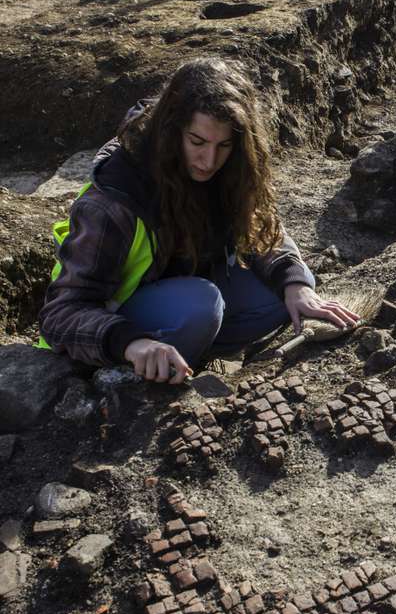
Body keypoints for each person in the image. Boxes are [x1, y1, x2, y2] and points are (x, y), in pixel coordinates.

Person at [38, 59, 359, 383]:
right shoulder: (114, 200)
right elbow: (60, 314)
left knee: (289, 294)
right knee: (202, 305)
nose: (209, 161)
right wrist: (130, 343)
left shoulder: (229, 167)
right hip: (115, 327)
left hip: (183, 304)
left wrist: (295, 284)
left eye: (224, 145)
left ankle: (188, 357)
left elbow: (260, 227)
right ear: (172, 129)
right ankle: (132, 379)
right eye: (197, 142)